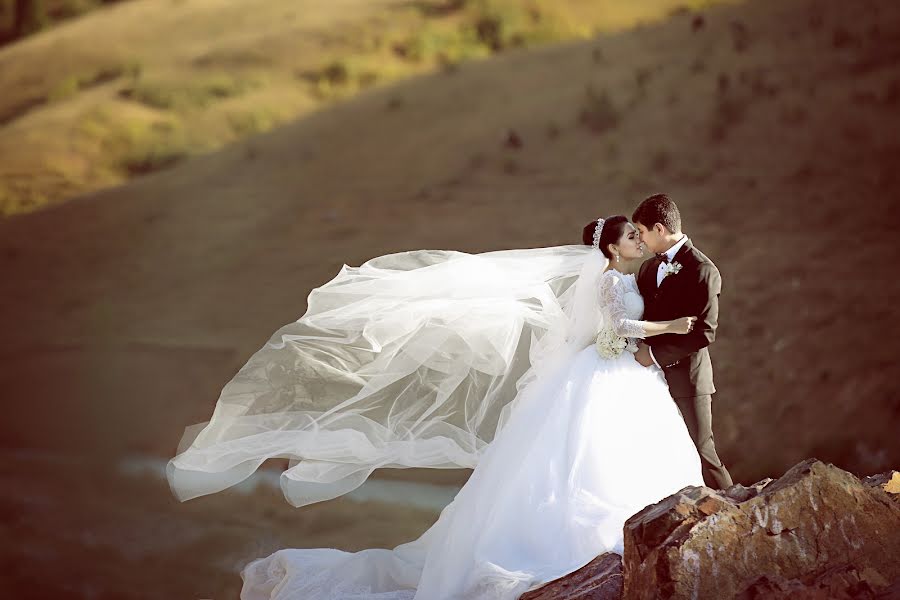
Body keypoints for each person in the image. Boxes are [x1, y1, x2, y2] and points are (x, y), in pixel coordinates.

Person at [167, 216, 705, 600]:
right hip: (603, 368)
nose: (639, 238)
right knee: (580, 453)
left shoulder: (628, 277)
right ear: (612, 249)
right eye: (631, 235)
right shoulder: (612, 282)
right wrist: (670, 328)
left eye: (640, 232)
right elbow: (614, 331)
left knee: (605, 447)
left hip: (615, 370)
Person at [632, 193, 734, 490]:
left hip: (688, 379)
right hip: (647, 380)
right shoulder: (648, 269)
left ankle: (739, 510)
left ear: (659, 229)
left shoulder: (703, 269)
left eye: (641, 232)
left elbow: (705, 332)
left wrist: (653, 355)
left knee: (702, 450)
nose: (640, 240)